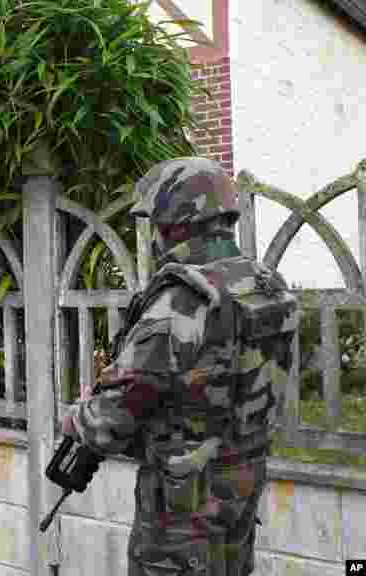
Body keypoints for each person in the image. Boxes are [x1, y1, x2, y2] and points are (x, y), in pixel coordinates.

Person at [59, 157, 300, 575]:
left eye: (155, 222)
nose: (154, 234)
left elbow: (110, 420)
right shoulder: (265, 286)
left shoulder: (180, 303)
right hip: (239, 494)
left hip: (180, 517)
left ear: (175, 221)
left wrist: (76, 419)